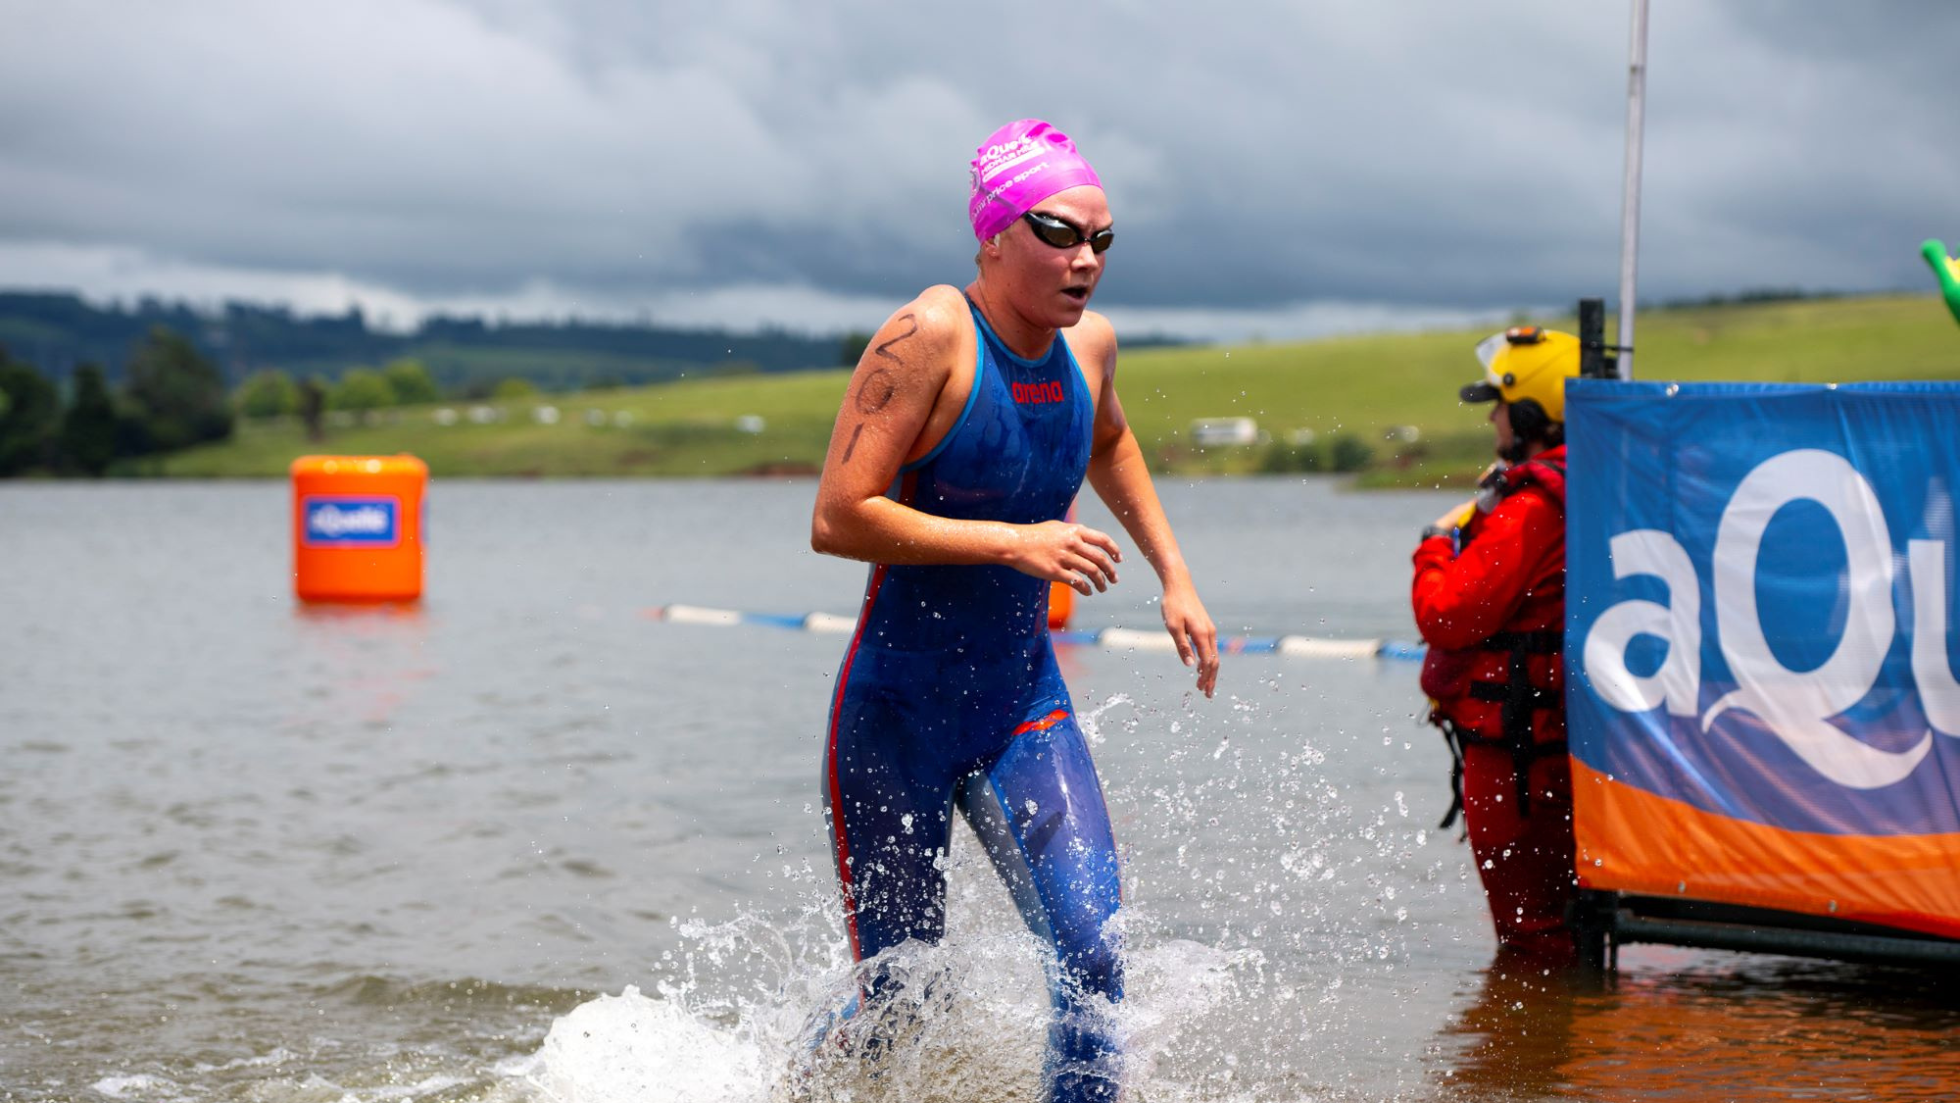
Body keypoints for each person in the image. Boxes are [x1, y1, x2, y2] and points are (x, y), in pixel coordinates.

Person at [809, 118, 1220, 1101]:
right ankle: (792, 1083)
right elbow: (836, 516)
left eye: (1102, 241)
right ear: (994, 233)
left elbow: (1110, 440)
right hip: (895, 714)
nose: (1086, 262)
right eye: (1060, 233)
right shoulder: (929, 336)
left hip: (1021, 704)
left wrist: (1176, 573)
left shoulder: (1092, 347)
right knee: (901, 1000)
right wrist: (1014, 538)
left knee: (1091, 955)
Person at [1410, 325, 1581, 961]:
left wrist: (1432, 546)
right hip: (1564, 735)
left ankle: (1541, 1053)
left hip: (1518, 747)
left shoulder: (1532, 506)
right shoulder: (1592, 480)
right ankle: (1581, 1040)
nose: (1493, 420)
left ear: (1530, 411)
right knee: (1567, 914)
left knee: (1530, 933)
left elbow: (1448, 614)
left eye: (1500, 406)